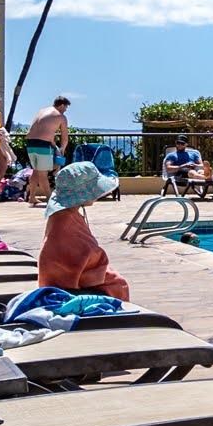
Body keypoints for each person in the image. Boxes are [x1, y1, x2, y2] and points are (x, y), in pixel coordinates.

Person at [39, 160, 130, 300]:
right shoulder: (65, 220)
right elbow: (84, 254)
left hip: (61, 277)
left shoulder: (64, 215)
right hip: (66, 285)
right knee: (119, 284)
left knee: (115, 279)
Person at [23, 96, 72, 205]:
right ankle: (51, 201)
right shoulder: (61, 116)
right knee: (43, 174)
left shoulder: (42, 111)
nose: (65, 110)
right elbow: (65, 137)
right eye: (66, 107)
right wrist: (62, 150)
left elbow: (43, 129)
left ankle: (32, 197)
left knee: (36, 171)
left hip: (30, 143)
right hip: (43, 145)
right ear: (62, 105)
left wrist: (53, 144)